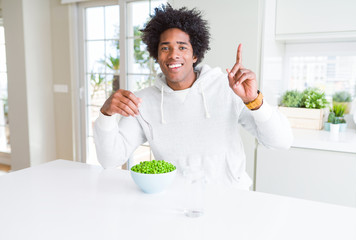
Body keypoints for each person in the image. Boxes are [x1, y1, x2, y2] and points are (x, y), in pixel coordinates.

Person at [94, 4, 293, 190]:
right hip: (174, 201)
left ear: (195, 55)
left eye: (182, 47)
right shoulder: (142, 102)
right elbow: (110, 160)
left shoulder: (229, 88)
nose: (173, 55)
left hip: (230, 198)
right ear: (157, 55)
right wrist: (106, 114)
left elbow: (281, 141)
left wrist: (254, 101)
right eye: (165, 48)